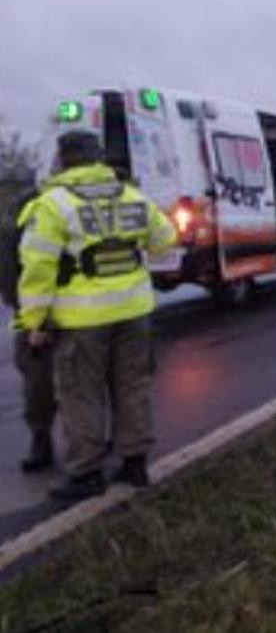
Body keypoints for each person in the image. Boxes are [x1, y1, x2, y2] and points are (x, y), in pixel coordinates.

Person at [18, 131, 177, 502]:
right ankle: (135, 465)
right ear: (98, 158)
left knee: (81, 394)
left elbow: (37, 269)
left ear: (63, 160)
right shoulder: (132, 195)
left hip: (82, 320)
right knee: (132, 386)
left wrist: (35, 322)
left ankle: (87, 473)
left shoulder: (52, 204)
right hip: (135, 312)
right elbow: (165, 239)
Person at [1, 185, 58, 472]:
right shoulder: (26, 207)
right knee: (38, 379)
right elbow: (10, 266)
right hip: (40, 308)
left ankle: (87, 442)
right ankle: (42, 437)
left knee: (80, 380)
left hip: (73, 307)